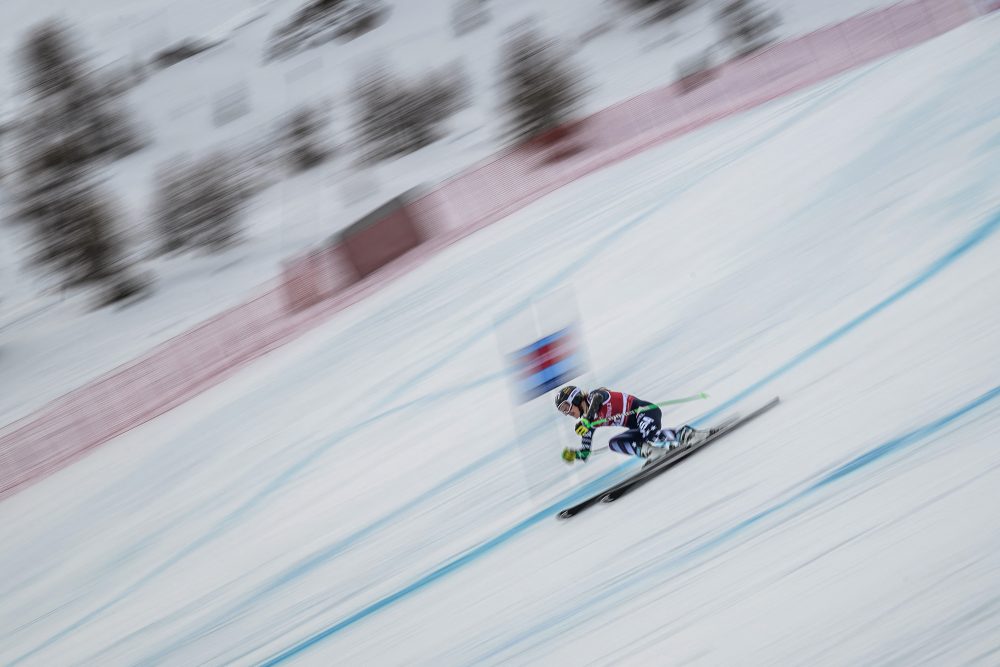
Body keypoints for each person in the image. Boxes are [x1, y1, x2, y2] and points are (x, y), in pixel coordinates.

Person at [554, 385, 710, 464]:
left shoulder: (594, 396)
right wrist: (575, 455)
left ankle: (689, 434)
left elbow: (597, 400)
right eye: (563, 411)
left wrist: (587, 420)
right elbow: (586, 452)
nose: (567, 413)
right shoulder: (587, 424)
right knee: (614, 443)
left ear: (575, 398)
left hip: (646, 411)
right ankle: (654, 452)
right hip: (637, 427)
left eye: (566, 407)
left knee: (651, 435)